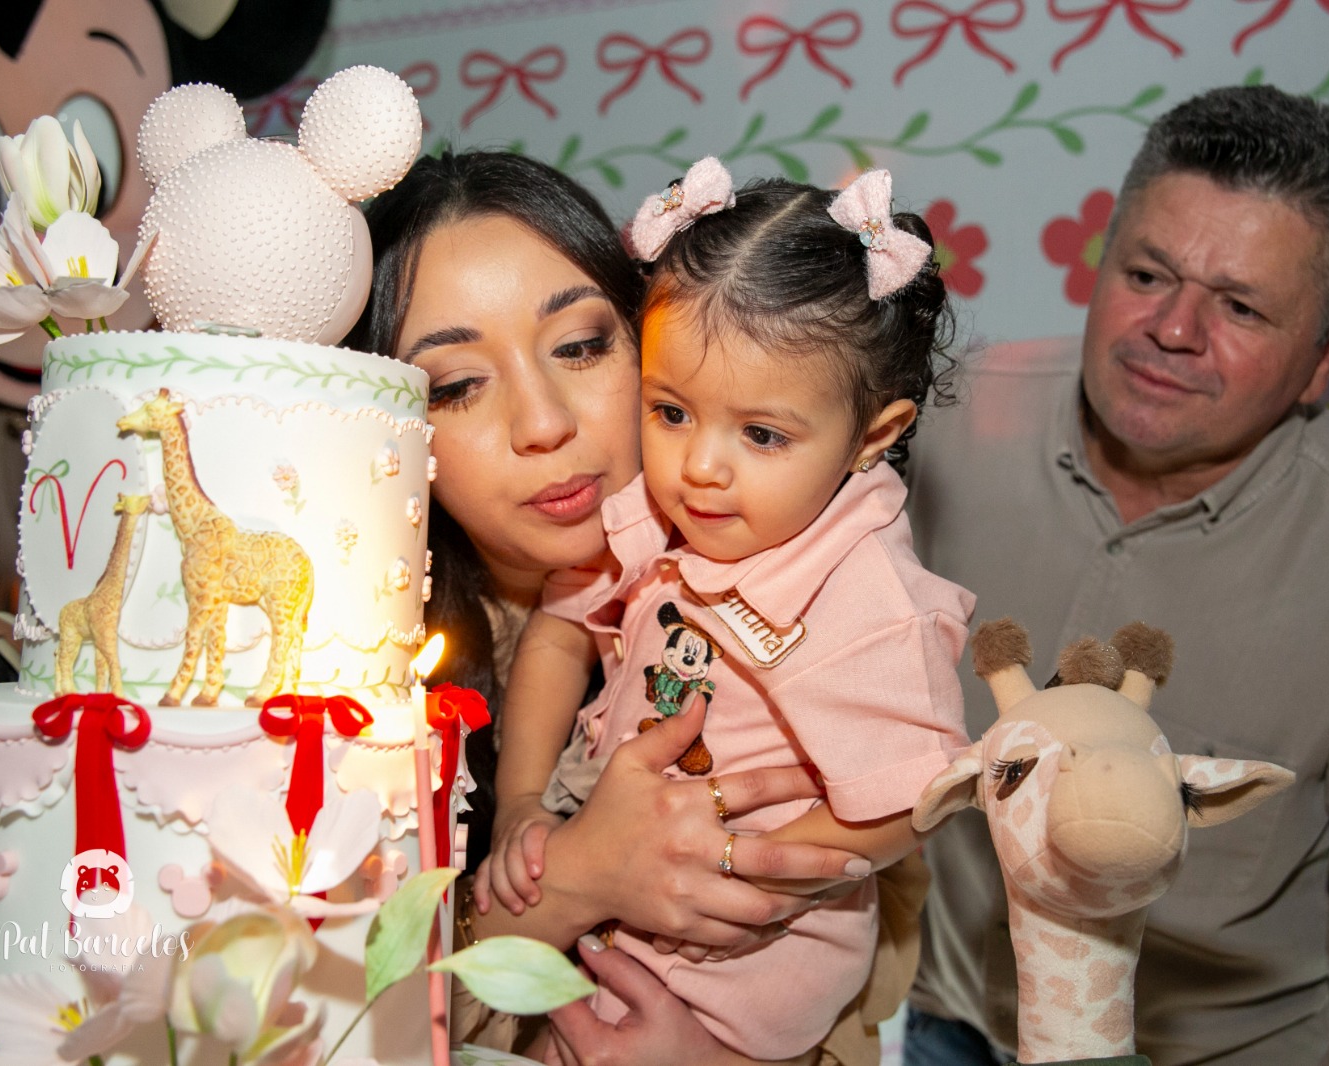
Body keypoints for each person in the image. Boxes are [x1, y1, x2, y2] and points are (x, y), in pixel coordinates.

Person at [905, 84, 1329, 1065]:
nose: (1172, 330)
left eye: (1239, 306)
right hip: (941, 1023)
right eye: (1148, 273)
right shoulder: (942, 425)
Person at [347, 150, 924, 1066]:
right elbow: (322, 1018)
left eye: (580, 346)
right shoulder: (338, 693)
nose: (543, 423)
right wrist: (572, 878)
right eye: (455, 385)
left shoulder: (819, 615)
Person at [482, 160, 974, 1061]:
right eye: (670, 411)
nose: (700, 467)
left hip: (741, 962)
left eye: (761, 434)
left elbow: (915, 795)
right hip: (603, 877)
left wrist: (742, 868)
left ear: (875, 434)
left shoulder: (863, 593)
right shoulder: (664, 518)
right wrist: (518, 802)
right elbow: (558, 629)